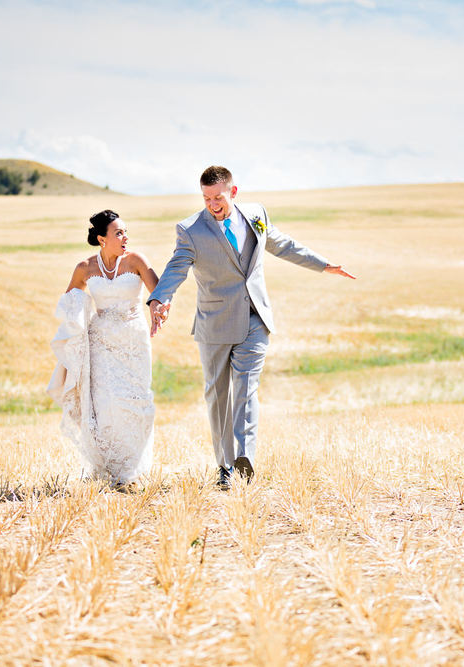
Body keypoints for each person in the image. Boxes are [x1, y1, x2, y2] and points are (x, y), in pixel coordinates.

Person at [147, 166, 355, 489]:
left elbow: (282, 244)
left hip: (255, 319)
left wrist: (323, 264)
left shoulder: (256, 215)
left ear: (233, 192)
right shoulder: (190, 230)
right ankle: (224, 466)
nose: (213, 204)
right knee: (218, 397)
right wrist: (159, 299)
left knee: (246, 387)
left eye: (218, 197)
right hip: (214, 324)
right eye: (206, 198)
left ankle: (245, 459)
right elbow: (176, 267)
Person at [47, 210, 160, 484]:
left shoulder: (136, 260)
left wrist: (158, 308)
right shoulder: (85, 268)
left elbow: (158, 292)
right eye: (118, 233)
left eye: (125, 231)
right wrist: (77, 325)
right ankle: (111, 468)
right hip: (101, 344)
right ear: (102, 239)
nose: (125, 237)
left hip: (134, 340)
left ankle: (133, 468)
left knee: (136, 400)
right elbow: (70, 299)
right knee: (106, 404)